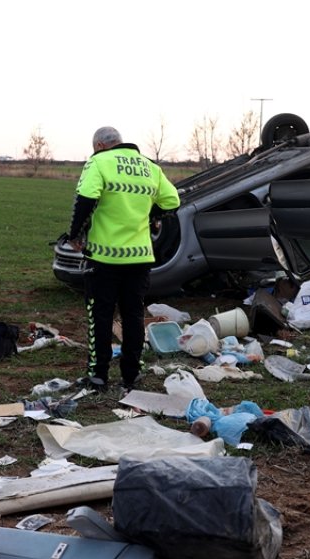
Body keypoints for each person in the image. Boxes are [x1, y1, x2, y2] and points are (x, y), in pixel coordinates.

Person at [66, 126, 180, 393]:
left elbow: (85, 199)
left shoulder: (99, 162)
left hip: (103, 257)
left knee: (101, 316)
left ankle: (98, 376)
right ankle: (131, 375)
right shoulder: (150, 166)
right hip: (139, 257)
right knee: (133, 315)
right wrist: (151, 215)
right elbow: (172, 201)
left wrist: (75, 234)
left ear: (99, 146)